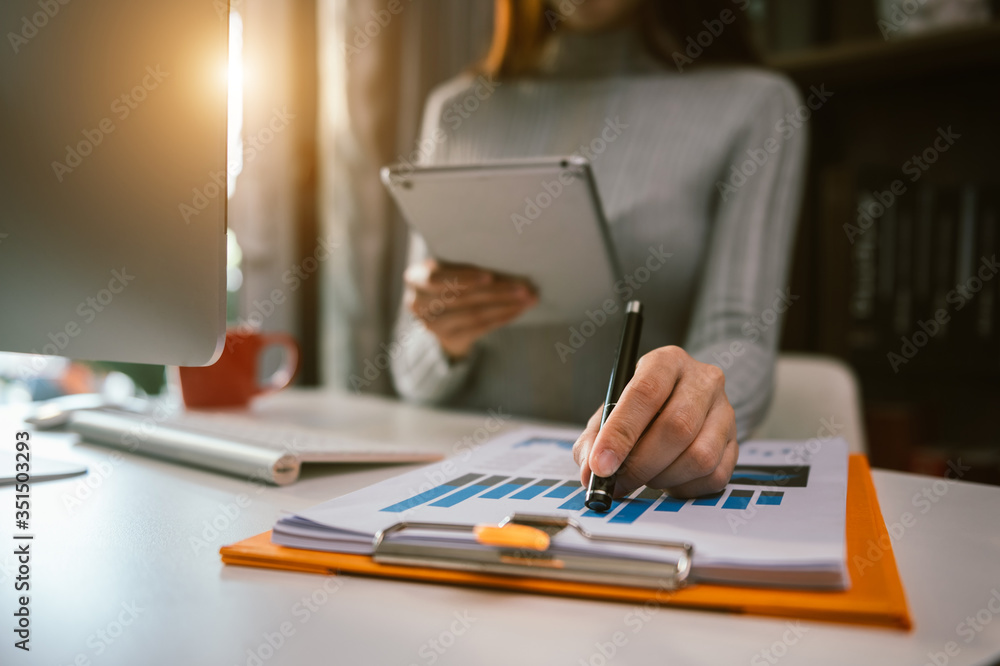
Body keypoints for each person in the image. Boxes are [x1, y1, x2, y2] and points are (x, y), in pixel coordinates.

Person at [390, 0, 806, 499]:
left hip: (639, 487)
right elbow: (408, 370)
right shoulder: (456, 110)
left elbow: (741, 337)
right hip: (459, 480)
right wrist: (442, 339)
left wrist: (693, 404)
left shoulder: (756, 105)